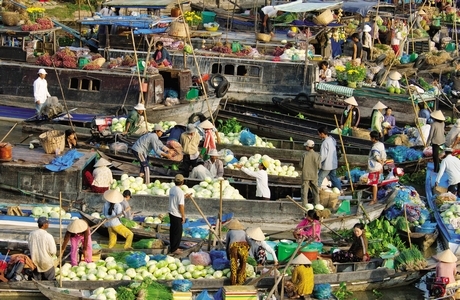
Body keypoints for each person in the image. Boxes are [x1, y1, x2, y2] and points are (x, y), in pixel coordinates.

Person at [169, 174, 191, 255]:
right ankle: (174, 249)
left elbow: (176, 199)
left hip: (171, 212)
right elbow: (180, 206)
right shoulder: (180, 192)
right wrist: (183, 216)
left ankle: (173, 247)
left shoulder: (172, 189)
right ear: (182, 182)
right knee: (177, 233)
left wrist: (184, 196)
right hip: (176, 214)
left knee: (173, 231)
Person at [224, 219, 250, 285]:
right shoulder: (243, 232)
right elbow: (249, 243)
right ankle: (241, 281)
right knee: (243, 265)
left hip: (234, 247)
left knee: (234, 266)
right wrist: (248, 252)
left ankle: (233, 282)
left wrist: (227, 255)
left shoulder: (229, 232)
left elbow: (227, 245)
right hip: (244, 247)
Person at [317, 127, 342, 192]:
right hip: (333, 163)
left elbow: (323, 156)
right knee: (334, 178)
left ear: (322, 134)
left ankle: (316, 194)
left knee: (319, 179)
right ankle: (340, 191)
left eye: (319, 134)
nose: (319, 136)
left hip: (327, 165)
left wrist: (317, 162)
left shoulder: (325, 143)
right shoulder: (332, 140)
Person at [299, 140, 321, 206]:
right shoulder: (317, 155)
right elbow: (319, 166)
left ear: (308, 147)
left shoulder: (304, 155)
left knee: (304, 192)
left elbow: (300, 166)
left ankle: (304, 206)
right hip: (314, 175)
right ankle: (317, 204)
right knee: (315, 191)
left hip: (305, 175)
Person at [368, 131, 387, 205]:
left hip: (374, 167)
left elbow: (376, 156)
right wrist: (382, 164)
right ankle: (374, 197)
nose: (370, 139)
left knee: (374, 183)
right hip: (378, 167)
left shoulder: (375, 146)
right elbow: (383, 155)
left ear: (373, 138)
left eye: (371, 137)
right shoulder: (381, 144)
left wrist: (380, 162)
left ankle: (374, 199)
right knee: (376, 182)